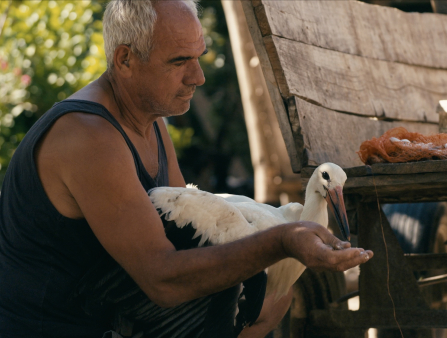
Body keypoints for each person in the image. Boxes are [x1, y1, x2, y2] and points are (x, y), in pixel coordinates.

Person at [0, 1, 373, 337]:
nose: (198, 77)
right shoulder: (89, 136)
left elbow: (189, 234)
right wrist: (282, 242)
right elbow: (163, 279)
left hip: (120, 316)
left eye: (199, 57)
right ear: (125, 60)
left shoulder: (152, 122)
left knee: (261, 296)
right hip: (57, 328)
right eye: (179, 62)